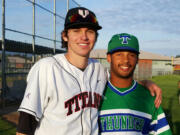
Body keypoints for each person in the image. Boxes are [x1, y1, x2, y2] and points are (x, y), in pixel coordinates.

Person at [16, 7, 162, 135]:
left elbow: (120, 80)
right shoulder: (47, 68)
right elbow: (25, 126)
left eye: (90, 31)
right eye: (76, 30)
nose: (84, 37)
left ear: (95, 37)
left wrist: (145, 83)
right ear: (65, 36)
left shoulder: (98, 69)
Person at [98, 33, 172, 134]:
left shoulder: (149, 97)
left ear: (137, 59)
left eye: (132, 55)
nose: (126, 60)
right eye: (119, 54)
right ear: (109, 57)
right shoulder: (95, 94)